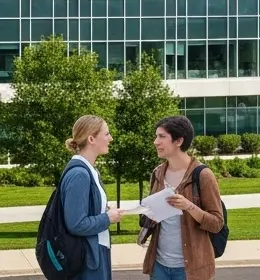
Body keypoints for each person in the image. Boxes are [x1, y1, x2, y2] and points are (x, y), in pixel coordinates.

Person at [142, 114, 225, 280]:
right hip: (159, 266)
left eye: (162, 137)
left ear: (179, 141)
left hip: (191, 269)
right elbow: (150, 218)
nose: (156, 142)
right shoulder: (158, 173)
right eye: (156, 136)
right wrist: (148, 212)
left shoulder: (203, 175)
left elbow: (217, 223)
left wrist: (189, 206)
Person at [60, 115, 124, 280]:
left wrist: (103, 210)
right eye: (106, 134)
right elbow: (76, 224)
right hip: (87, 260)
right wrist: (108, 218)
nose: (111, 138)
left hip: (96, 253)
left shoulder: (91, 171)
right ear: (91, 139)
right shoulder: (79, 174)